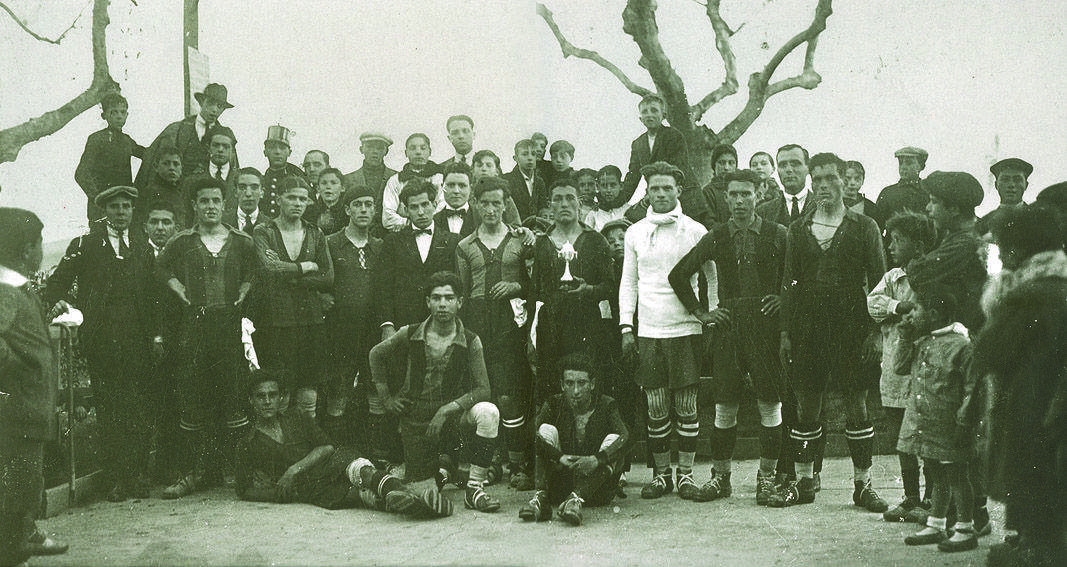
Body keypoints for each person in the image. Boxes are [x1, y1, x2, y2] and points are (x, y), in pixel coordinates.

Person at [772, 153, 888, 511]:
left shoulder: (864, 226)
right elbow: (788, 284)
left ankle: (863, 485)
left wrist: (875, 332)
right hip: (808, 328)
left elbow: (881, 285)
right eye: (817, 179)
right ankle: (805, 481)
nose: (824, 185)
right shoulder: (798, 229)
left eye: (831, 178)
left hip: (853, 327)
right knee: (807, 404)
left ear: (845, 180)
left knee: (857, 403)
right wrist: (786, 332)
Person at [668, 169, 787, 505]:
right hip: (728, 326)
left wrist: (782, 298)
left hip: (765, 326)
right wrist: (702, 313)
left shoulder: (778, 233)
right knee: (725, 408)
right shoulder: (717, 235)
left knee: (769, 404)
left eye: (745, 194)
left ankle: (766, 480)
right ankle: (721, 479)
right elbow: (678, 275)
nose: (739, 201)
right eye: (732, 194)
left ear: (759, 193)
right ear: (725, 197)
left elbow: (797, 277)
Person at [45, 185, 154, 502]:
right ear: (104, 211)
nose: (121, 212)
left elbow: (151, 295)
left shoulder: (142, 246)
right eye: (115, 207)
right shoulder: (86, 244)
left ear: (133, 211)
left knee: (138, 406)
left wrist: (155, 336)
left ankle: (137, 475)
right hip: (103, 337)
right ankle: (116, 479)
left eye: (126, 207)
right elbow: (58, 282)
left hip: (138, 337)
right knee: (110, 407)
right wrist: (61, 303)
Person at [976, 204, 1067, 567]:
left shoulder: (1028, 293)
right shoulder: (1058, 284)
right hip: (1052, 403)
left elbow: (987, 351)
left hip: (1032, 406)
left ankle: (1035, 550)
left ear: (1014, 250)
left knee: (1034, 480)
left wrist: (996, 292)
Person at [156, 176, 258, 499]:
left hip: (230, 327)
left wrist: (244, 289)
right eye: (204, 201)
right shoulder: (183, 241)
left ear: (224, 203)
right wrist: (177, 287)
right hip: (194, 328)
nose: (210, 206)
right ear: (195, 205)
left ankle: (241, 473)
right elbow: (160, 268)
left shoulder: (242, 241)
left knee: (235, 398)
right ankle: (193, 473)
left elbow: (256, 273)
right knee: (193, 398)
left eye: (216, 200)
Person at [369, 271, 502, 513]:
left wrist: (446, 409)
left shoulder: (471, 340)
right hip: (417, 420)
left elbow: (484, 389)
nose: (442, 304)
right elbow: (376, 354)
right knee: (423, 498)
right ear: (427, 302)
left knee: (488, 412)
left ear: (460, 302)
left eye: (449, 298)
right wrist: (386, 398)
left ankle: (474, 488)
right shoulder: (410, 332)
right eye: (436, 298)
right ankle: (443, 471)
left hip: (452, 418)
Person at [236, 369, 451, 518]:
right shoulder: (247, 442)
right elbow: (244, 490)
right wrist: (277, 493)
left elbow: (326, 447)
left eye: (272, 395)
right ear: (251, 400)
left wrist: (293, 470)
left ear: (280, 397)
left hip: (329, 463)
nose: (267, 401)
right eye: (260, 396)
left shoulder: (296, 417)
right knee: (359, 496)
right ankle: (417, 502)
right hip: (310, 488)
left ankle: (408, 491)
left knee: (362, 471)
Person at [618, 161, 712, 501]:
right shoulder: (635, 232)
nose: (659, 193)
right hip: (649, 330)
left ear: (678, 190)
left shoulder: (696, 231)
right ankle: (661, 476)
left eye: (666, 188)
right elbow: (629, 282)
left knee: (686, 406)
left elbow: (711, 278)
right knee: (656, 405)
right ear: (647, 191)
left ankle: (685, 475)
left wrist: (709, 316)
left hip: (687, 328)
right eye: (653, 188)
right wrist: (627, 326)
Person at [374, 179, 460, 468]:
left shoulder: (451, 241)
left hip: (441, 323)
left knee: (439, 384)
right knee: (404, 384)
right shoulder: (393, 241)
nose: (421, 211)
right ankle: (399, 455)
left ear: (435, 204)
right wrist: (387, 323)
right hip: (404, 325)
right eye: (414, 207)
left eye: (425, 204)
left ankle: (441, 456)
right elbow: (383, 286)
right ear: (405, 210)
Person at [456, 176, 534, 490]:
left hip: (509, 325)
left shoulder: (520, 240)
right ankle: (488, 464)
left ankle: (516, 464)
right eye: (485, 203)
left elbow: (535, 283)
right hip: (476, 324)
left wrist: (516, 286)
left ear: (506, 205)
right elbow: (460, 292)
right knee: (483, 393)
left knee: (509, 393)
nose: (491, 210)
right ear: (475, 204)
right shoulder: (464, 246)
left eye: (497, 203)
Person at [0, 208, 68, 566]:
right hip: (19, 409)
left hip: (27, 409)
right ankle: (18, 542)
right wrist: (17, 370)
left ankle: (21, 538)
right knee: (18, 488)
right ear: (27, 249)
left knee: (24, 485)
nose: (41, 250)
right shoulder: (6, 290)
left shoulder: (16, 287)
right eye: (39, 243)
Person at [897, 288, 980, 553]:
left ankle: (966, 528)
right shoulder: (923, 341)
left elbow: (973, 387)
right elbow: (898, 367)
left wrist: (965, 420)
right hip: (927, 424)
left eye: (916, 310)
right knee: (935, 472)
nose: (911, 315)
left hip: (951, 426)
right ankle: (937, 522)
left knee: (957, 475)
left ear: (933, 315)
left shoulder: (961, 346)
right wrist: (904, 336)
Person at [868, 211, 937, 523]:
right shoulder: (893, 277)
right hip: (895, 366)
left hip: (923, 366)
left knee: (929, 433)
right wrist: (898, 306)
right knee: (902, 436)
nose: (891, 246)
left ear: (919, 244)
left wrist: (911, 311)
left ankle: (933, 497)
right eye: (890, 239)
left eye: (899, 240)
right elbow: (873, 305)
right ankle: (910, 496)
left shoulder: (932, 274)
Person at [252, 176, 334, 418]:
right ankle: (280, 444)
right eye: (291, 198)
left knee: (309, 386)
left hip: (311, 320)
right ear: (279, 200)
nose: (297, 203)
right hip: (277, 321)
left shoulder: (314, 232)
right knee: (280, 385)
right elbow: (269, 268)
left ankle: (307, 443)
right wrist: (305, 266)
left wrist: (293, 277)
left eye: (302, 199)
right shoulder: (264, 230)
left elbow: (328, 276)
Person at [530, 178, 615, 408]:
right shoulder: (541, 243)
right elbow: (535, 292)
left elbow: (610, 286)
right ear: (550, 204)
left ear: (579, 203)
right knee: (552, 387)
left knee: (587, 388)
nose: (564, 204)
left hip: (587, 325)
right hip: (551, 328)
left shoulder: (596, 241)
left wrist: (589, 290)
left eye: (570, 198)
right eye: (558, 199)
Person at [519, 353, 630, 526]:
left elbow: (626, 438)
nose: (576, 391)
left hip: (596, 489)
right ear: (562, 385)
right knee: (545, 430)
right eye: (570, 383)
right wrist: (558, 456)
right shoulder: (554, 403)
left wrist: (596, 459)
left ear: (592, 384)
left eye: (582, 383)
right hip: (559, 486)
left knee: (614, 439)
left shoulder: (606, 405)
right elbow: (529, 433)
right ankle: (540, 497)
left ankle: (576, 499)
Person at [322, 185, 383, 446]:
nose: (363, 209)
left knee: (375, 388)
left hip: (372, 330)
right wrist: (321, 297)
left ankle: (375, 450)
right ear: (347, 209)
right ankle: (335, 450)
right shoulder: (330, 243)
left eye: (369, 204)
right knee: (339, 388)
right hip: (340, 330)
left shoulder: (380, 246)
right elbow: (319, 280)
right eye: (357, 204)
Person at [141, 200, 184, 482]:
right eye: (154, 222)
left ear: (175, 227)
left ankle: (171, 466)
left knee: (174, 403)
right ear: (146, 226)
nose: (160, 228)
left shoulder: (183, 256)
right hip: (142, 340)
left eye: (166, 222)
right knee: (144, 404)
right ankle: (141, 468)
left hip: (177, 339)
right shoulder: (137, 256)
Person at [136, 83, 235, 188]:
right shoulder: (176, 130)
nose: (214, 110)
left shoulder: (225, 137)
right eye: (210, 103)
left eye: (219, 106)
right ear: (201, 102)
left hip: (208, 194)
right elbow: (155, 160)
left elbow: (232, 170)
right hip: (177, 190)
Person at [75, 92, 145, 222]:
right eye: (114, 112)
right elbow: (81, 173)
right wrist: (98, 199)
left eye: (123, 112)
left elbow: (147, 154)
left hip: (123, 207)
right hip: (101, 210)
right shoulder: (96, 139)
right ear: (104, 115)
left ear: (127, 115)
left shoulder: (127, 141)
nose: (119, 116)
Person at [620, 93, 691, 203]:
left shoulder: (673, 136)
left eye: (654, 110)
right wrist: (618, 200)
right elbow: (633, 176)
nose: (649, 115)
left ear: (663, 115)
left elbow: (677, 169)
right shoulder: (638, 143)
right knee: (631, 216)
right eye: (645, 112)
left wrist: (652, 194)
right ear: (641, 119)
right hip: (656, 194)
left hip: (682, 192)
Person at [381, 133, 443, 231]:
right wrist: (411, 224)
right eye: (413, 148)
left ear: (429, 152)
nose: (418, 152)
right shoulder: (395, 181)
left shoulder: (440, 178)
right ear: (406, 153)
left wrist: (426, 222)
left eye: (423, 148)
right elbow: (387, 217)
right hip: (404, 233)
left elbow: (442, 209)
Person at [343, 132, 398, 236]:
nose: (374, 152)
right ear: (361, 149)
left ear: (386, 151)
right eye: (369, 147)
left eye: (379, 148)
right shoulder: (348, 180)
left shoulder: (396, 178)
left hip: (389, 237)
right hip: (357, 235)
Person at [755, 144, 812, 227]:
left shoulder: (822, 206)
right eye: (783, 165)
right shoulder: (762, 212)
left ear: (808, 168)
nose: (788, 170)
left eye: (795, 164)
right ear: (777, 170)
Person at [260, 125, 309, 218]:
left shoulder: (299, 179)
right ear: (265, 152)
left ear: (289, 152)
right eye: (272, 147)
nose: (277, 152)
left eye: (282, 148)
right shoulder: (261, 180)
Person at [975, 157, 1032, 237]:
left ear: (1026, 185)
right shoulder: (984, 223)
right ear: (996, 185)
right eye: (1005, 179)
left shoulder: (1037, 218)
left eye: (1017, 180)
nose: (1011, 185)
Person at [875, 146, 929, 221]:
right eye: (900, 163)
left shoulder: (928, 192)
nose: (903, 167)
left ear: (921, 166)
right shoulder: (888, 193)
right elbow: (877, 226)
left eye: (909, 163)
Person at [137, 146, 186, 229]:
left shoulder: (185, 192)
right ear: (156, 167)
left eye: (176, 164)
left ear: (181, 167)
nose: (171, 168)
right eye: (166, 163)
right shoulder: (148, 193)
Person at [504, 139, 547, 222]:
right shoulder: (507, 180)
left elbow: (543, 209)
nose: (530, 158)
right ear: (515, 158)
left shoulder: (540, 182)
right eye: (525, 154)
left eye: (533, 154)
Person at [435, 162, 479, 237]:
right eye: (451, 185)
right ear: (443, 187)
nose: (456, 191)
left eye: (462, 185)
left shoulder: (481, 218)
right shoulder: (434, 221)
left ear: (471, 189)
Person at [303, 167, 350, 235]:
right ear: (318, 188)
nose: (328, 187)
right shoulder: (310, 211)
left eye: (333, 183)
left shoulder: (347, 212)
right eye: (324, 183)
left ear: (342, 188)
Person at [701, 143, 739, 226]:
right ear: (714, 165)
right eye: (722, 163)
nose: (726, 167)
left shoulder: (741, 188)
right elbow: (709, 222)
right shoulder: (709, 191)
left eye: (731, 163)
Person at [223, 168, 269, 235]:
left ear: (262, 192)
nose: (248, 194)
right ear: (235, 192)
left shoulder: (271, 226)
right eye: (242, 187)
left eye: (254, 187)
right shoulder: (223, 222)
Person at [584, 165, 629, 232]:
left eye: (613, 185)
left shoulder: (629, 211)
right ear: (598, 187)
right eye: (604, 186)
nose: (608, 190)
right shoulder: (593, 215)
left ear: (621, 186)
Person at [843, 160, 885, 230]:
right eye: (848, 178)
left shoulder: (871, 209)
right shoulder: (831, 204)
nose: (852, 183)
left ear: (862, 181)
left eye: (857, 179)